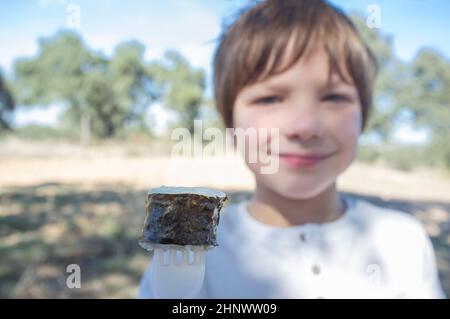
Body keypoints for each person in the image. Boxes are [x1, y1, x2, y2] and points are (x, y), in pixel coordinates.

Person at [139, 0, 445, 298]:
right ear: (229, 123)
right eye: (270, 99)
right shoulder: (185, 256)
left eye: (334, 97)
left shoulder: (403, 243)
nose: (304, 126)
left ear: (363, 115)